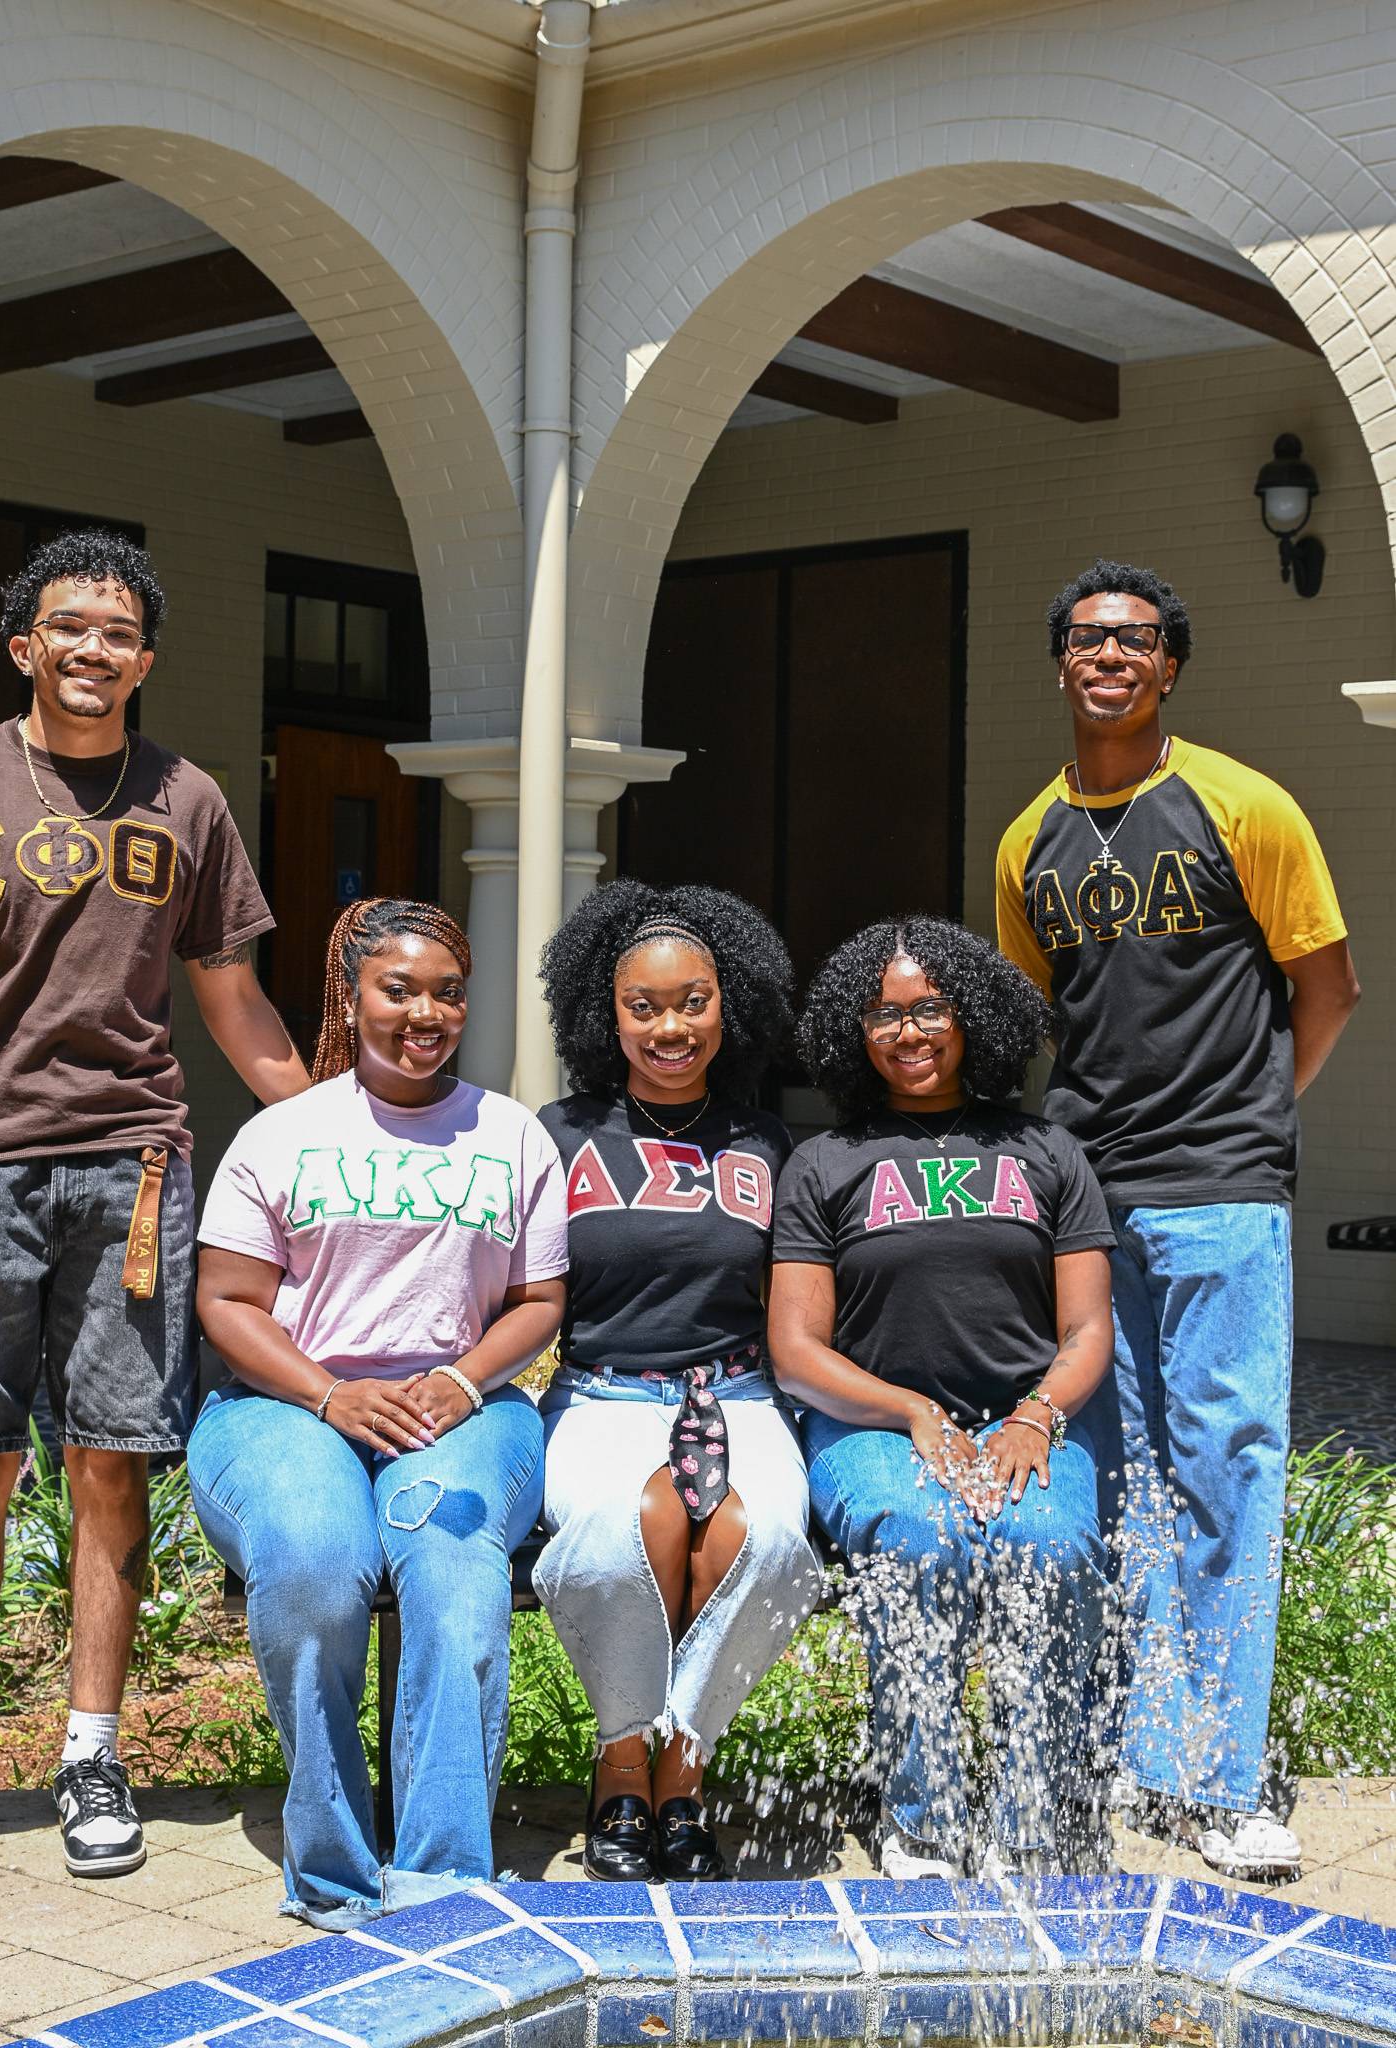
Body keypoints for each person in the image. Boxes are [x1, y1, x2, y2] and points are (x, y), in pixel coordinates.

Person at [0, 532, 306, 1887]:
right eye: (70, 627)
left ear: (144, 659)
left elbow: (231, 999)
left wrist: (327, 1138)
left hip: (133, 1168)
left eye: (118, 633)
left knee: (112, 1460)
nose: (92, 650)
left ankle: (91, 1751)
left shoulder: (185, 799)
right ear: (26, 647)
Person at [995, 558, 1359, 1881]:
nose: (1108, 657)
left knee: (1228, 1477)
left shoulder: (1240, 805)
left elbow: (1324, 990)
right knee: (1123, 1490)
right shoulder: (1025, 839)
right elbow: (1037, 1025)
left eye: (1134, 640)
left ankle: (1220, 1785)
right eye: (1085, 637)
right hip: (1090, 1202)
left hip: (1219, 1195)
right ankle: (1160, 1758)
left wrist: (1251, 1122)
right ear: (1059, 662)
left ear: (1167, 666)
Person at [187, 896, 567, 1925]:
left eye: (447, 991)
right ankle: (334, 1872)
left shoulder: (511, 1132)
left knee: (446, 1561)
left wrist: (459, 1380)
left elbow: (538, 1300)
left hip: (464, 1403)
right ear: (349, 995)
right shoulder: (285, 1132)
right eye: (397, 988)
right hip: (283, 1403)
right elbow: (224, 1299)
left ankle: (445, 1880)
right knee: (312, 1557)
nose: (425, 1011)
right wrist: (326, 1390)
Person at [768, 916, 1116, 1876]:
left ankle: (1034, 1817)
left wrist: (1036, 1415)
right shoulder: (825, 1162)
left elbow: (1088, 1330)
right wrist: (912, 1411)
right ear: (855, 1028)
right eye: (885, 1015)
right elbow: (795, 1352)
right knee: (918, 1535)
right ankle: (922, 1816)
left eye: (931, 1010)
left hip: (1024, 1417)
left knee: (1050, 1545)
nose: (909, 1033)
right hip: (872, 1423)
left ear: (975, 1021)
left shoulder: (1047, 1152)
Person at [532, 880, 818, 1883]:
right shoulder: (557, 1134)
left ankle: (682, 1765)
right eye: (641, 1005)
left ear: (725, 1002)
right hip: (603, 1394)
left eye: (691, 1000)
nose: (668, 1026)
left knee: (771, 1541)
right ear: (601, 1014)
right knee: (621, 1528)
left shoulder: (766, 1145)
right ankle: (621, 1763)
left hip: (737, 1394)